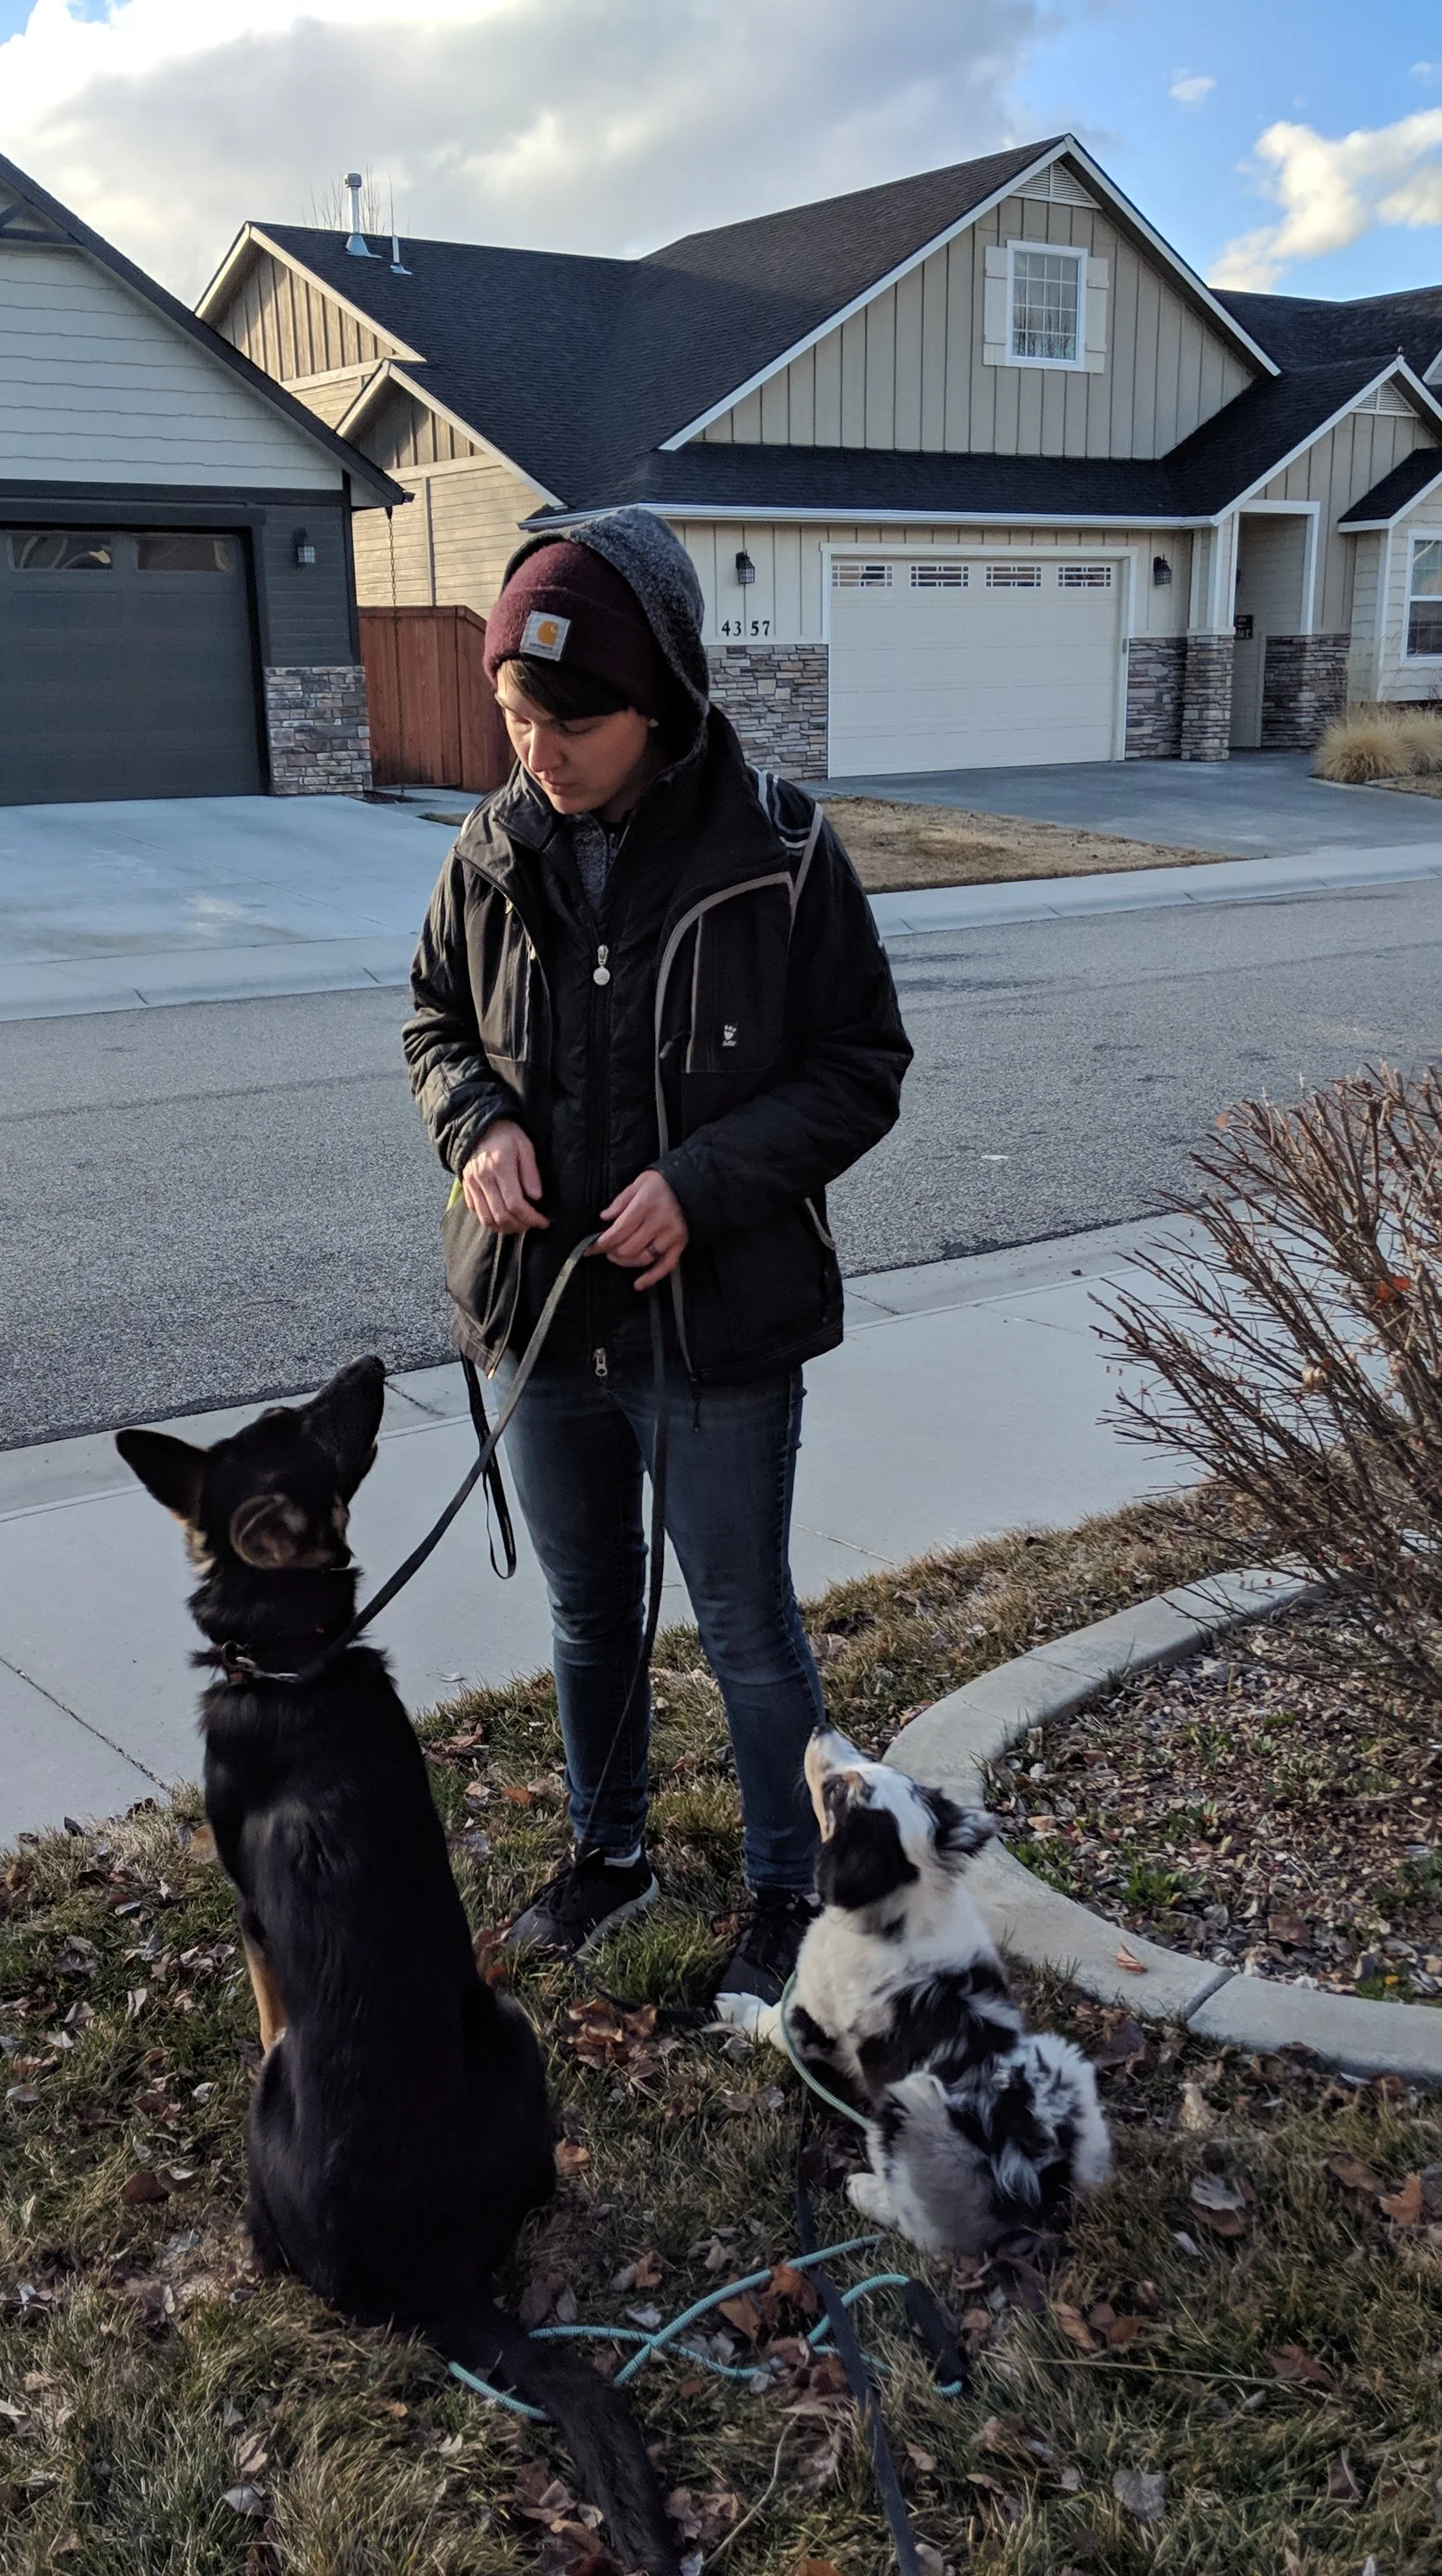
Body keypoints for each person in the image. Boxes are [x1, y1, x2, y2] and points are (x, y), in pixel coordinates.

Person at [403, 511, 909, 1996]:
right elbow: (433, 1020)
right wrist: (476, 1124)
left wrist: (702, 1182)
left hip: (717, 1321)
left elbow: (861, 1065)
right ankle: (610, 1850)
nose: (538, 752)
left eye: (572, 721)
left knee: (746, 1624)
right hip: (540, 1320)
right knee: (584, 1609)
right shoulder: (490, 847)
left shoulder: (780, 851)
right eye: (514, 716)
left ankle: (785, 1888)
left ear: (664, 700)